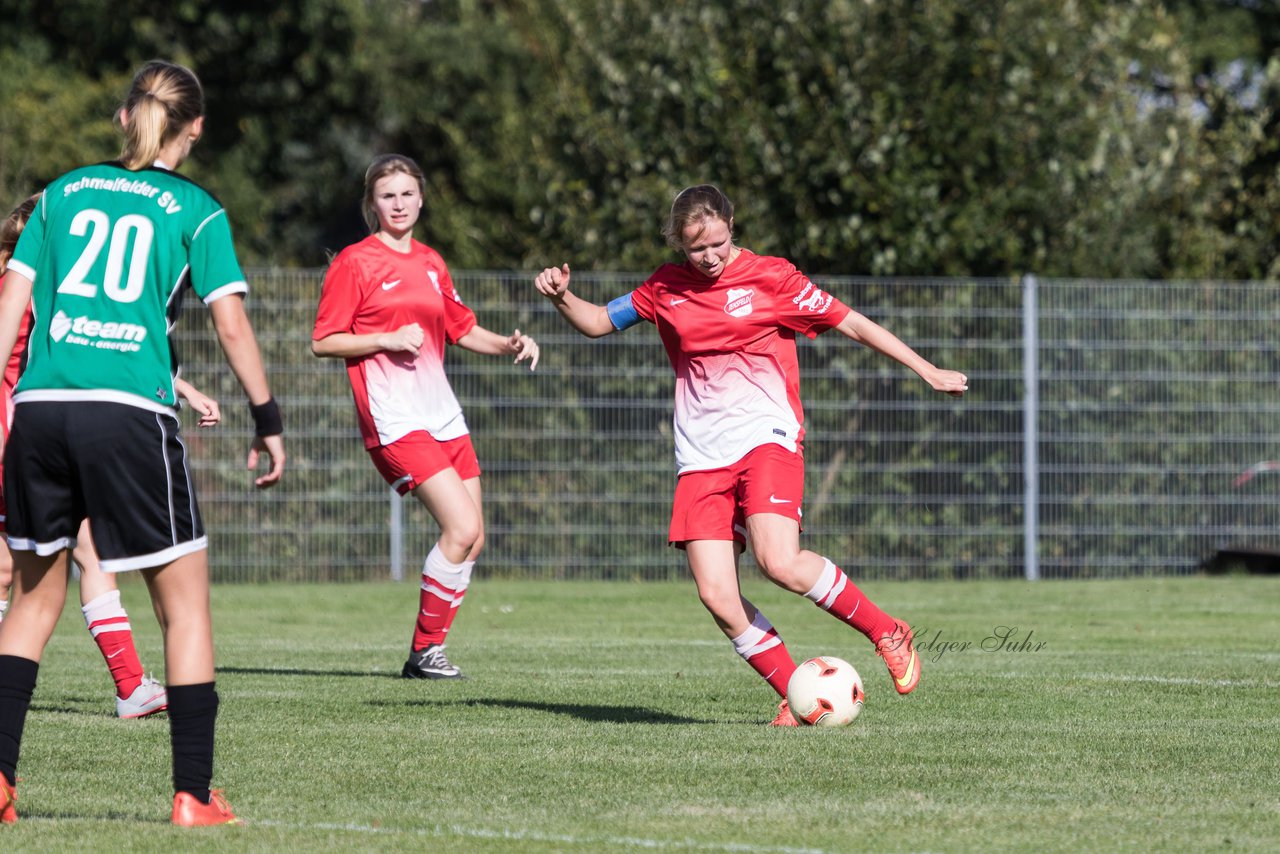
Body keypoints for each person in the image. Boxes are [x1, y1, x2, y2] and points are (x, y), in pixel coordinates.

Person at [534, 184, 968, 725]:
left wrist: (925, 368)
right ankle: (799, 694)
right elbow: (598, 322)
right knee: (717, 595)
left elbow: (850, 321)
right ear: (678, 244)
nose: (710, 256)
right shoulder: (663, 288)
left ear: (732, 227)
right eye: (697, 249)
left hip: (767, 437)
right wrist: (560, 297)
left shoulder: (773, 277)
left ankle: (886, 631)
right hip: (700, 456)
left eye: (718, 242)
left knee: (778, 562)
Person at [0, 59, 285, 827]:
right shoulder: (197, 210)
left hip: (40, 410)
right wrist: (267, 418)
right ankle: (193, 797)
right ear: (192, 130)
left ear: (124, 118)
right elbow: (230, 324)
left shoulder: (61, 192)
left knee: (29, 605)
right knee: (184, 610)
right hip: (129, 414)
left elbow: (8, 312)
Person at [313, 153, 539, 680]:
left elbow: (462, 329)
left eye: (407, 194)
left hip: (443, 415)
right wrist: (385, 338)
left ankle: (427, 652)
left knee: (474, 535)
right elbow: (323, 340)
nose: (398, 203)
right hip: (394, 419)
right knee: (459, 526)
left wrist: (508, 344)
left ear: (420, 198)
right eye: (387, 195)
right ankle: (424, 652)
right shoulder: (355, 262)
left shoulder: (432, 262)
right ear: (373, 203)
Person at [0, 194, 223, 721]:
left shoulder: (34, 291)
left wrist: (185, 390)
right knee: (19, 564)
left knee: (89, 551)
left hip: (34, 438)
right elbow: (101, 357)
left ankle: (130, 685)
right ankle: (127, 685)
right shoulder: (36, 294)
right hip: (23, 439)